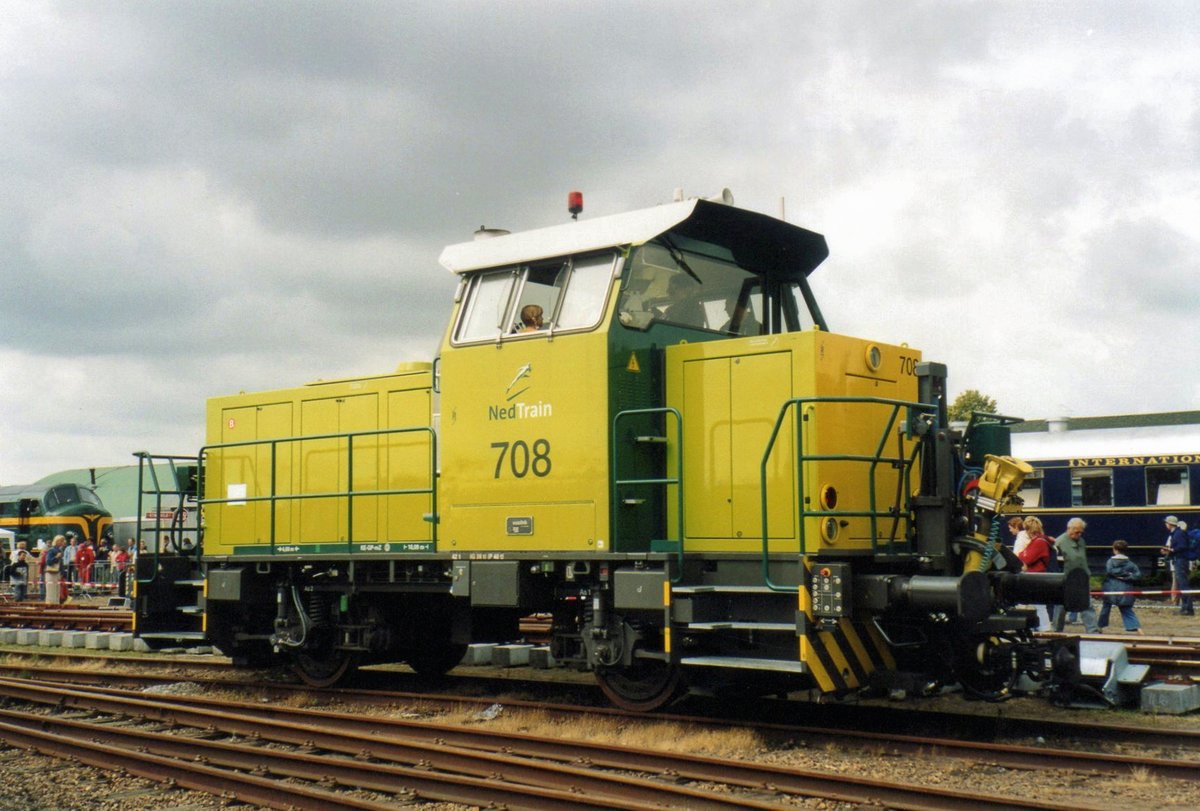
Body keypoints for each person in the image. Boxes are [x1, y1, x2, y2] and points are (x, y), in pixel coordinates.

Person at [1053, 517, 1099, 633]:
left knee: (1087, 604)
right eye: (1077, 532)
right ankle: (1056, 630)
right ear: (1069, 528)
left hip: (1082, 578)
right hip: (1065, 579)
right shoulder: (1059, 542)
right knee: (1061, 606)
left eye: (1081, 532)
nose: (1079, 534)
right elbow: (1056, 564)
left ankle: (1093, 630)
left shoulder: (1081, 541)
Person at [1016, 516, 1054, 629]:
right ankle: (1043, 628)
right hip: (1037, 577)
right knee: (1038, 605)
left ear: (1029, 530)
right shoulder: (1041, 541)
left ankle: (1044, 628)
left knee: (1037, 606)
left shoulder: (1038, 542)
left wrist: (1022, 554)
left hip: (1034, 578)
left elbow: (1024, 558)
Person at [1099, 540, 1143, 634]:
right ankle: (1136, 627)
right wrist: (1127, 576)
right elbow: (1138, 575)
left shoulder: (1110, 562)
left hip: (1110, 588)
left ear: (1114, 549)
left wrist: (1118, 574)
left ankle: (1099, 627)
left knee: (1105, 608)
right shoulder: (1130, 564)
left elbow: (1109, 571)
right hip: (1125, 588)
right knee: (1126, 609)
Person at [1161, 514, 1193, 616]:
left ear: (1170, 524)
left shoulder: (1178, 534)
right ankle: (1185, 607)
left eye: (1166, 523)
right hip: (1179, 560)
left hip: (1180, 560)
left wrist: (1171, 550)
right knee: (1182, 584)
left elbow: (1182, 547)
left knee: (1183, 585)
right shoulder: (1176, 533)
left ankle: (1187, 608)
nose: (1165, 524)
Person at [43, 534, 66, 605]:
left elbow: (61, 563)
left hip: (57, 572)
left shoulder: (60, 550)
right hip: (51, 573)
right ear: (57, 541)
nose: (63, 542)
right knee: (51, 590)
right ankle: (50, 604)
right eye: (61, 541)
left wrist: (62, 572)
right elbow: (48, 562)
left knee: (57, 590)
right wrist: (56, 557)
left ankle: (56, 604)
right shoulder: (51, 550)